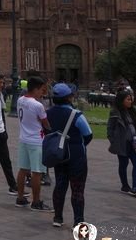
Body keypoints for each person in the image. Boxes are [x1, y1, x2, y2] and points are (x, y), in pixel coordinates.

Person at [47, 82, 93, 228]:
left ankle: (57, 217)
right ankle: (78, 220)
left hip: (58, 155)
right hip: (76, 156)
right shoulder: (76, 114)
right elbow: (88, 134)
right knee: (77, 189)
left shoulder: (48, 113)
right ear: (69, 98)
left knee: (60, 185)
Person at [14, 76, 53, 211]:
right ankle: (36, 202)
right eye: (41, 90)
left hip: (23, 138)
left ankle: (20, 198)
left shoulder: (20, 100)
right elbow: (45, 123)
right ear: (35, 89)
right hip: (36, 141)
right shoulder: (37, 105)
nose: (42, 93)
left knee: (23, 169)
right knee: (37, 172)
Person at [107, 90, 136, 198]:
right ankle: (124, 185)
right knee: (123, 164)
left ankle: (135, 187)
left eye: (131, 99)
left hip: (134, 143)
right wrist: (113, 141)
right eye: (128, 99)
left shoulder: (134, 112)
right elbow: (110, 129)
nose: (130, 101)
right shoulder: (115, 113)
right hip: (122, 143)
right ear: (121, 100)